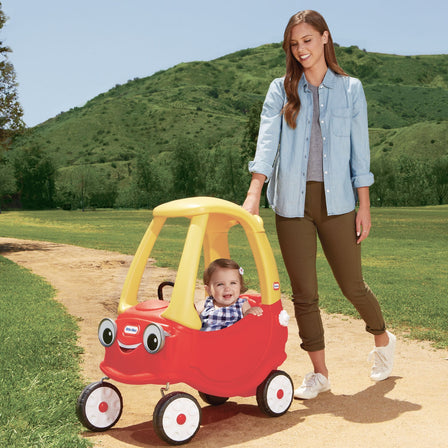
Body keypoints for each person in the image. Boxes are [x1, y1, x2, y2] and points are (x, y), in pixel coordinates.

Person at [242, 10, 395, 399]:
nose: (301, 49)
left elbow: (360, 153)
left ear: (325, 38)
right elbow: (267, 142)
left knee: (352, 286)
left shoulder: (350, 89)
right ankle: (320, 373)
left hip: (339, 203)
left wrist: (365, 206)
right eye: (295, 44)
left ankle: (382, 339)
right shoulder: (281, 90)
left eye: (308, 40)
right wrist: (254, 191)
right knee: (304, 294)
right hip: (291, 204)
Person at [195, 258, 263, 331]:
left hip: (233, 340)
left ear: (240, 285)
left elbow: (248, 320)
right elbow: (191, 314)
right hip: (208, 340)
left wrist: (251, 311)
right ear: (209, 290)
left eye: (233, 283)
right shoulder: (205, 304)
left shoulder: (242, 304)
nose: (227, 289)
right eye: (220, 284)